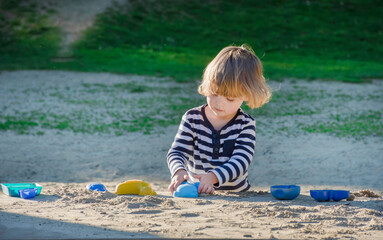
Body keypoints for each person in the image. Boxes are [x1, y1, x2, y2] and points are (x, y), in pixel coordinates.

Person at [167, 44, 271, 195]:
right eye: (214, 93)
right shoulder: (192, 118)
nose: (218, 103)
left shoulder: (245, 124)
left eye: (229, 98)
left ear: (246, 95)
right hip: (198, 193)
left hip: (239, 197)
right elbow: (177, 152)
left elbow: (241, 161)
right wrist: (178, 170)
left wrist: (212, 177)